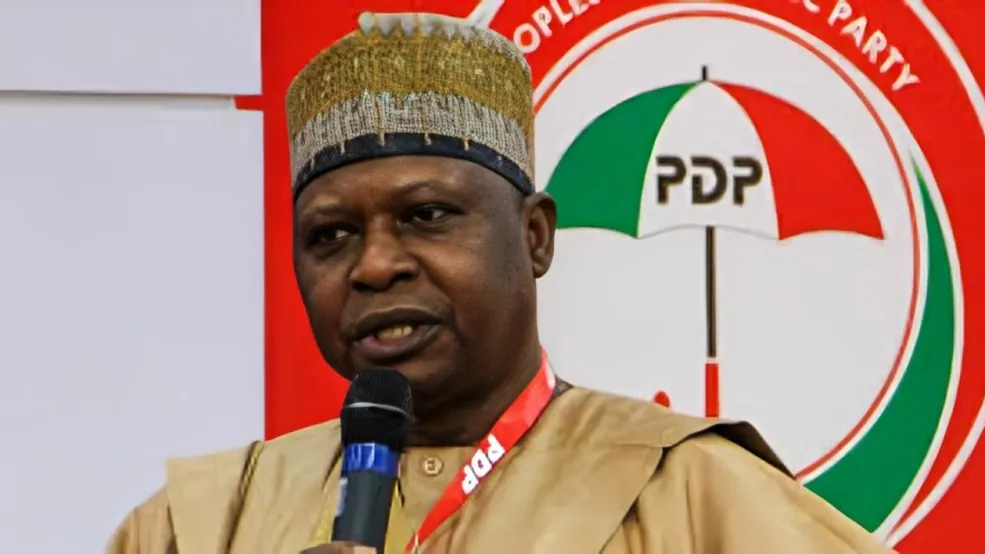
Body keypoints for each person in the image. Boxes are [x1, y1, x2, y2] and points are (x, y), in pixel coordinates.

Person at [107, 11, 897, 554]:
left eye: (426, 216)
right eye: (331, 236)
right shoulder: (199, 524)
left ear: (535, 237)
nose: (374, 265)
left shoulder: (690, 492)